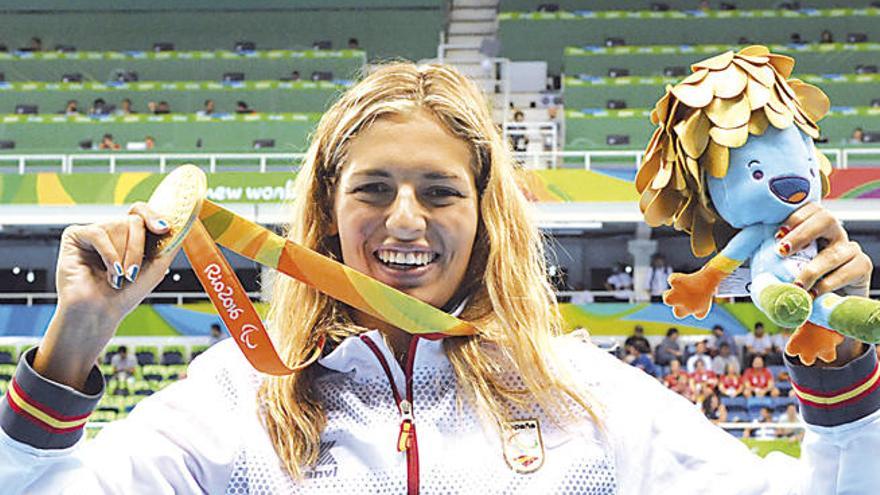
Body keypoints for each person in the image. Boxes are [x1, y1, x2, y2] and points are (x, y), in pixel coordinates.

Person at [2, 62, 879, 494]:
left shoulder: (584, 395)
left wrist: (838, 370)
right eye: (373, 190)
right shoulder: (233, 398)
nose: (406, 221)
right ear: (327, 213)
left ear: (485, 213)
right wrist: (75, 336)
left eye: (439, 192)